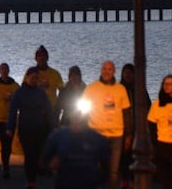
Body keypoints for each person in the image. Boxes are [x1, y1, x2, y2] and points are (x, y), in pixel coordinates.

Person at [83, 60, 132, 189]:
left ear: (114, 71)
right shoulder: (91, 88)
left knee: (113, 171)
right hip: (96, 133)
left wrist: (128, 135)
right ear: (101, 70)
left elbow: (126, 113)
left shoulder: (121, 89)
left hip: (117, 135)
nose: (107, 71)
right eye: (104, 69)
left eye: (110, 69)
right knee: (97, 167)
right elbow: (82, 111)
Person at [7, 66, 56, 189]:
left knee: (37, 153)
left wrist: (53, 125)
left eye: (36, 78)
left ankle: (34, 175)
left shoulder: (41, 93)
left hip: (38, 127)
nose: (34, 80)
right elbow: (13, 111)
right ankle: (31, 181)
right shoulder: (20, 92)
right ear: (27, 77)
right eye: (32, 78)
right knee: (29, 154)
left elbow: (49, 110)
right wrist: (10, 127)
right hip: (25, 128)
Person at [43, 103, 110, 189]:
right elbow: (44, 160)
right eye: (75, 118)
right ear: (70, 118)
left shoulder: (97, 139)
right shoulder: (58, 137)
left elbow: (105, 165)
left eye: (80, 121)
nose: (77, 123)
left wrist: (101, 183)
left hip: (89, 184)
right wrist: (50, 164)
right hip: (65, 184)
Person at [119, 63, 150, 187]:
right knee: (124, 156)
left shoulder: (140, 89)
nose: (127, 75)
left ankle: (132, 180)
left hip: (138, 128)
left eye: (130, 73)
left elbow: (148, 106)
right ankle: (124, 180)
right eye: (125, 73)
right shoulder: (119, 89)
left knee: (134, 156)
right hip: (123, 128)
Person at [34, 45, 63, 110]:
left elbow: (62, 91)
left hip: (51, 110)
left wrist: (58, 106)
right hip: (35, 111)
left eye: (44, 56)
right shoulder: (30, 73)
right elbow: (24, 91)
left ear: (47, 58)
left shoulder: (55, 74)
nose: (42, 58)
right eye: (39, 56)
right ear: (36, 58)